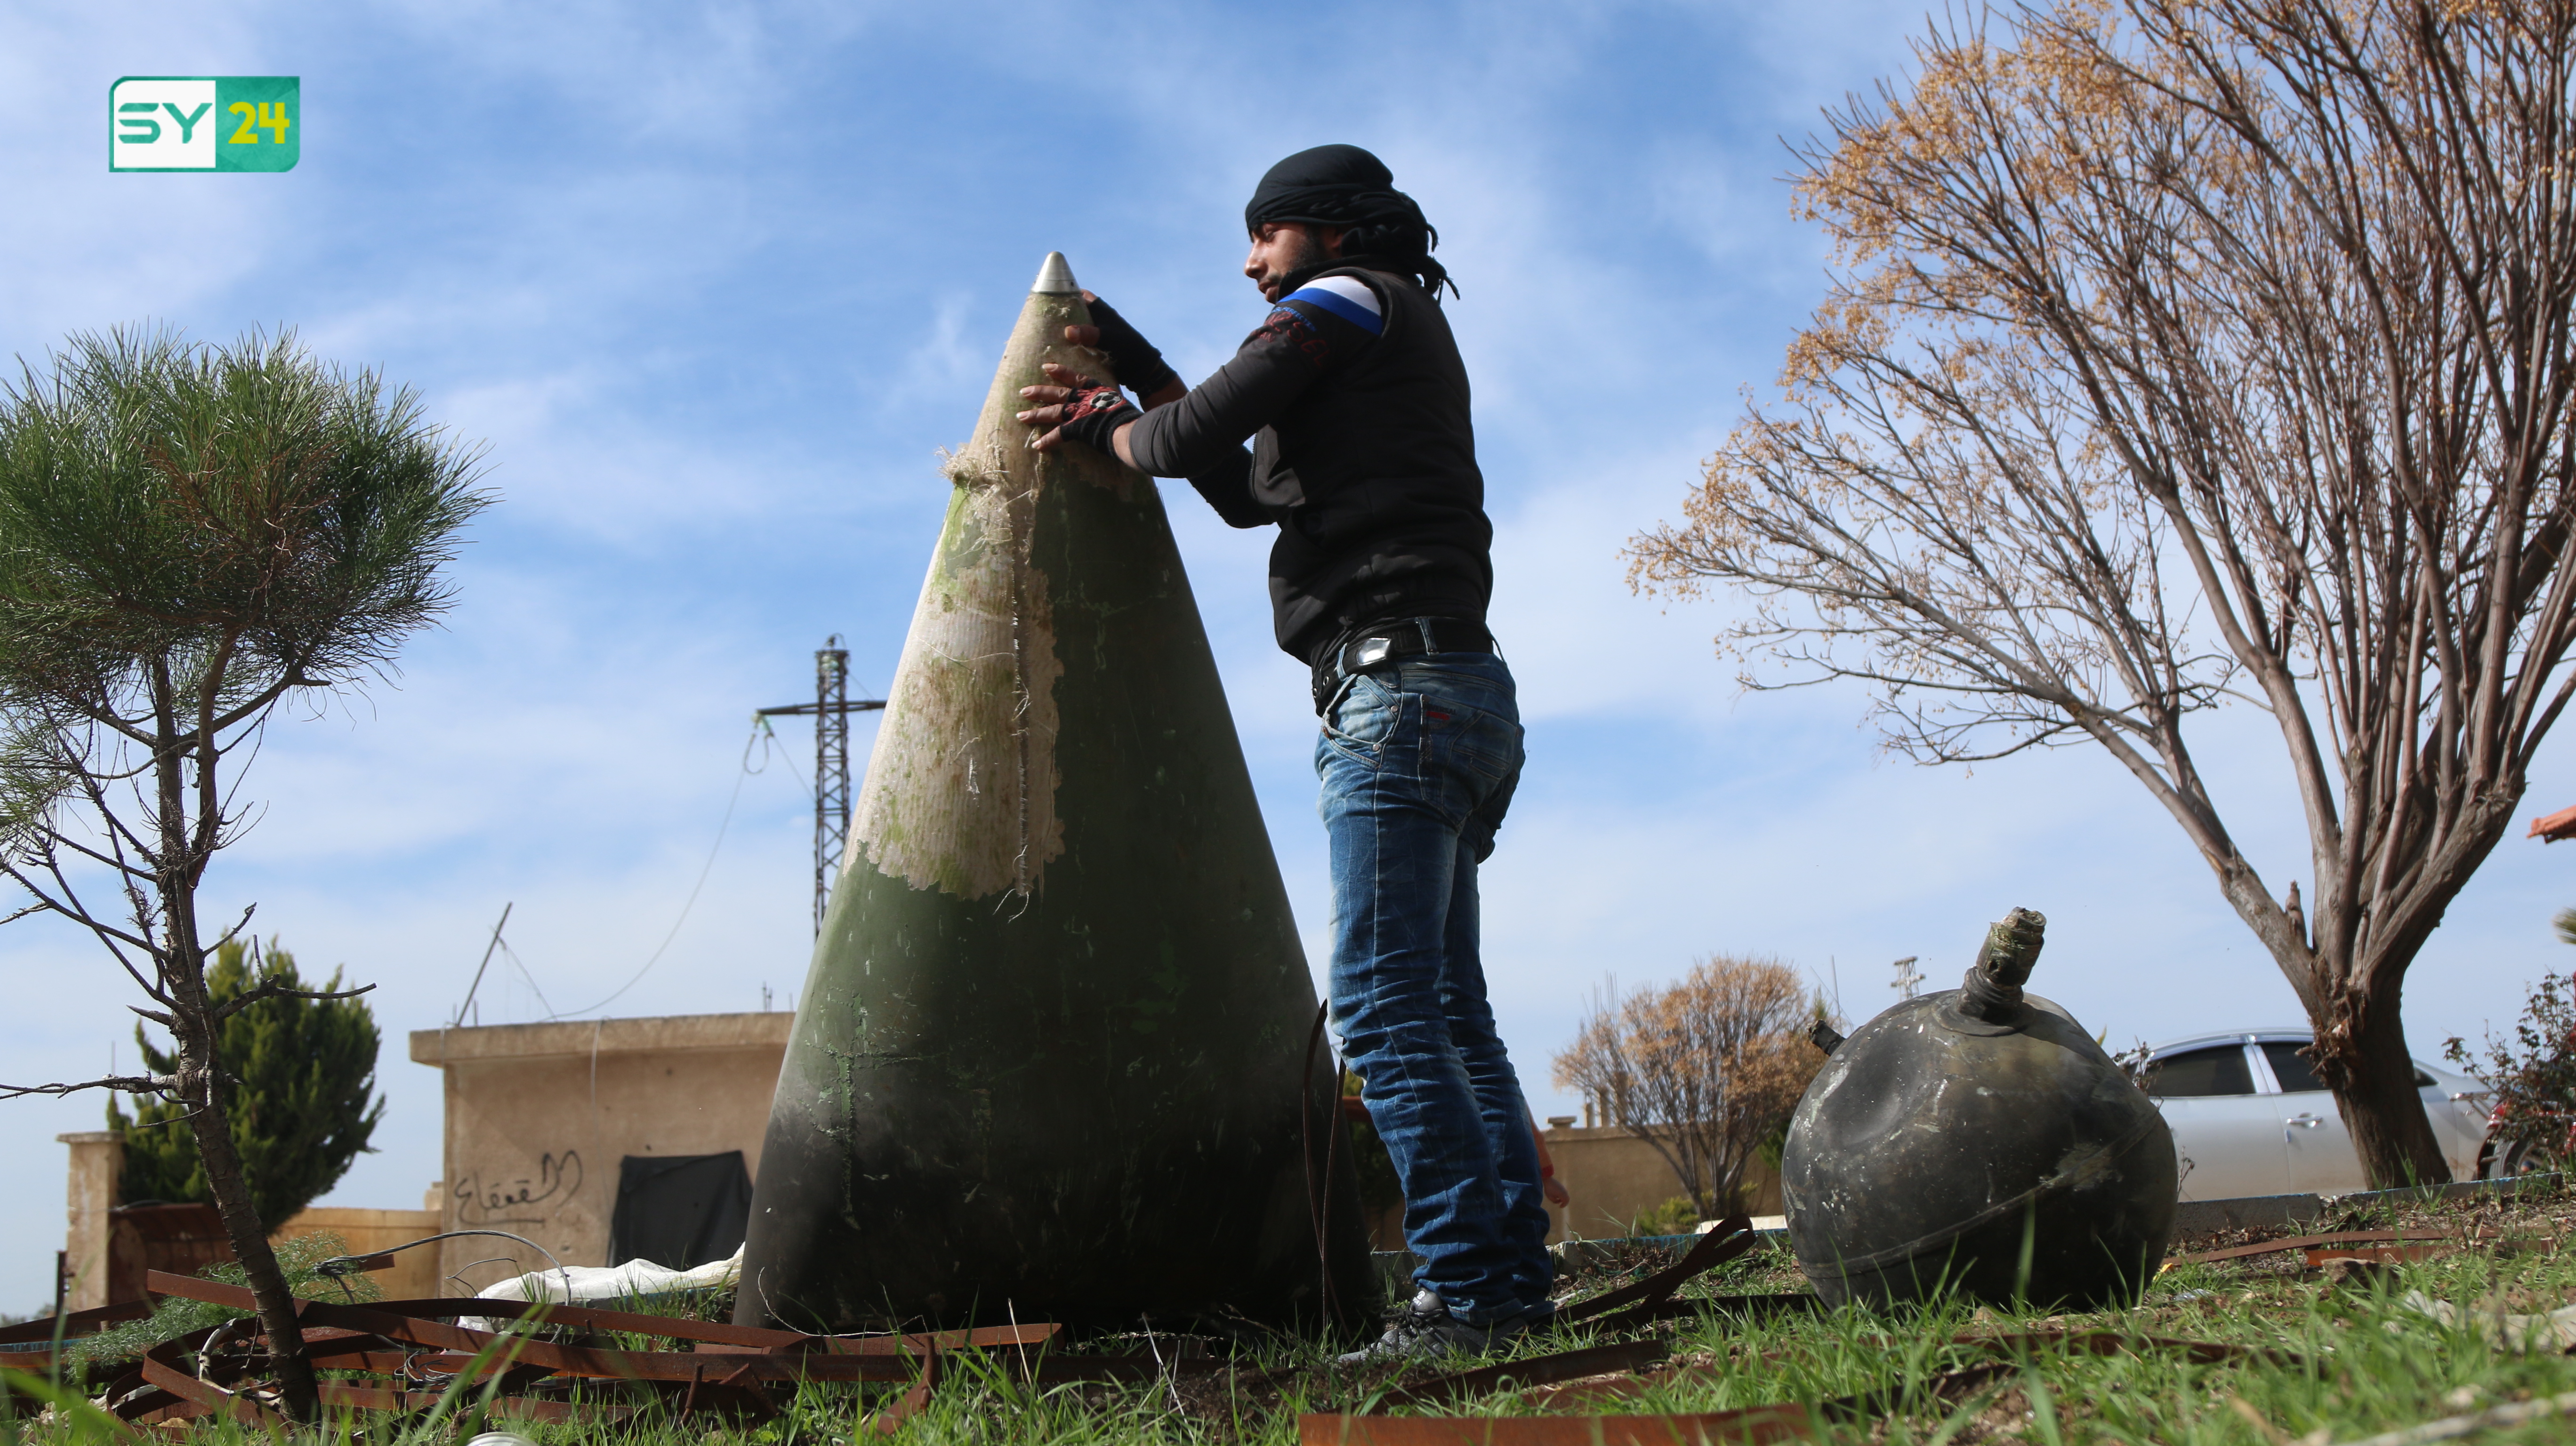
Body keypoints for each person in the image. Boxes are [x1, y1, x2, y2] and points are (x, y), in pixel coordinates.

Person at [1015, 144, 1553, 1361]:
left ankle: (1468, 1298)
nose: (1252, 261)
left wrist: (1110, 413)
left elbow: (1170, 443)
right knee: (1451, 1012)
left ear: (1337, 228)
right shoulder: (1377, 345)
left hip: (1396, 692)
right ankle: (1510, 1286)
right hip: (1455, 690)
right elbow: (1237, 488)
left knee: (1380, 1006)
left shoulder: (1354, 298)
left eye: (1268, 234)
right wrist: (1138, 365)